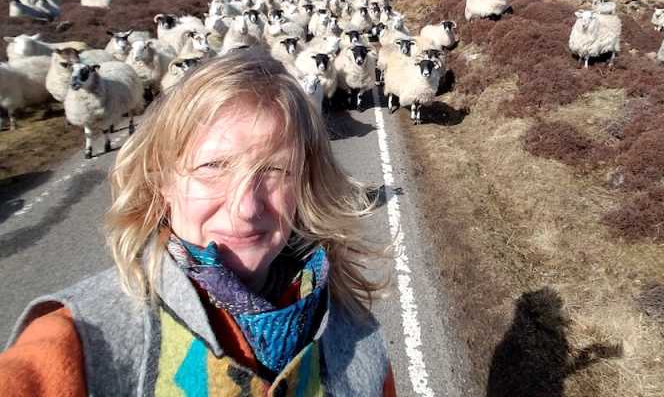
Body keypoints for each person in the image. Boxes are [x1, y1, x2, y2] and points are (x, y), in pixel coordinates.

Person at [0, 47, 396, 396]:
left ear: (306, 181)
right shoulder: (79, 344)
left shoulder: (355, 337)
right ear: (163, 182)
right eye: (212, 167)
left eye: (275, 169)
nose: (246, 207)